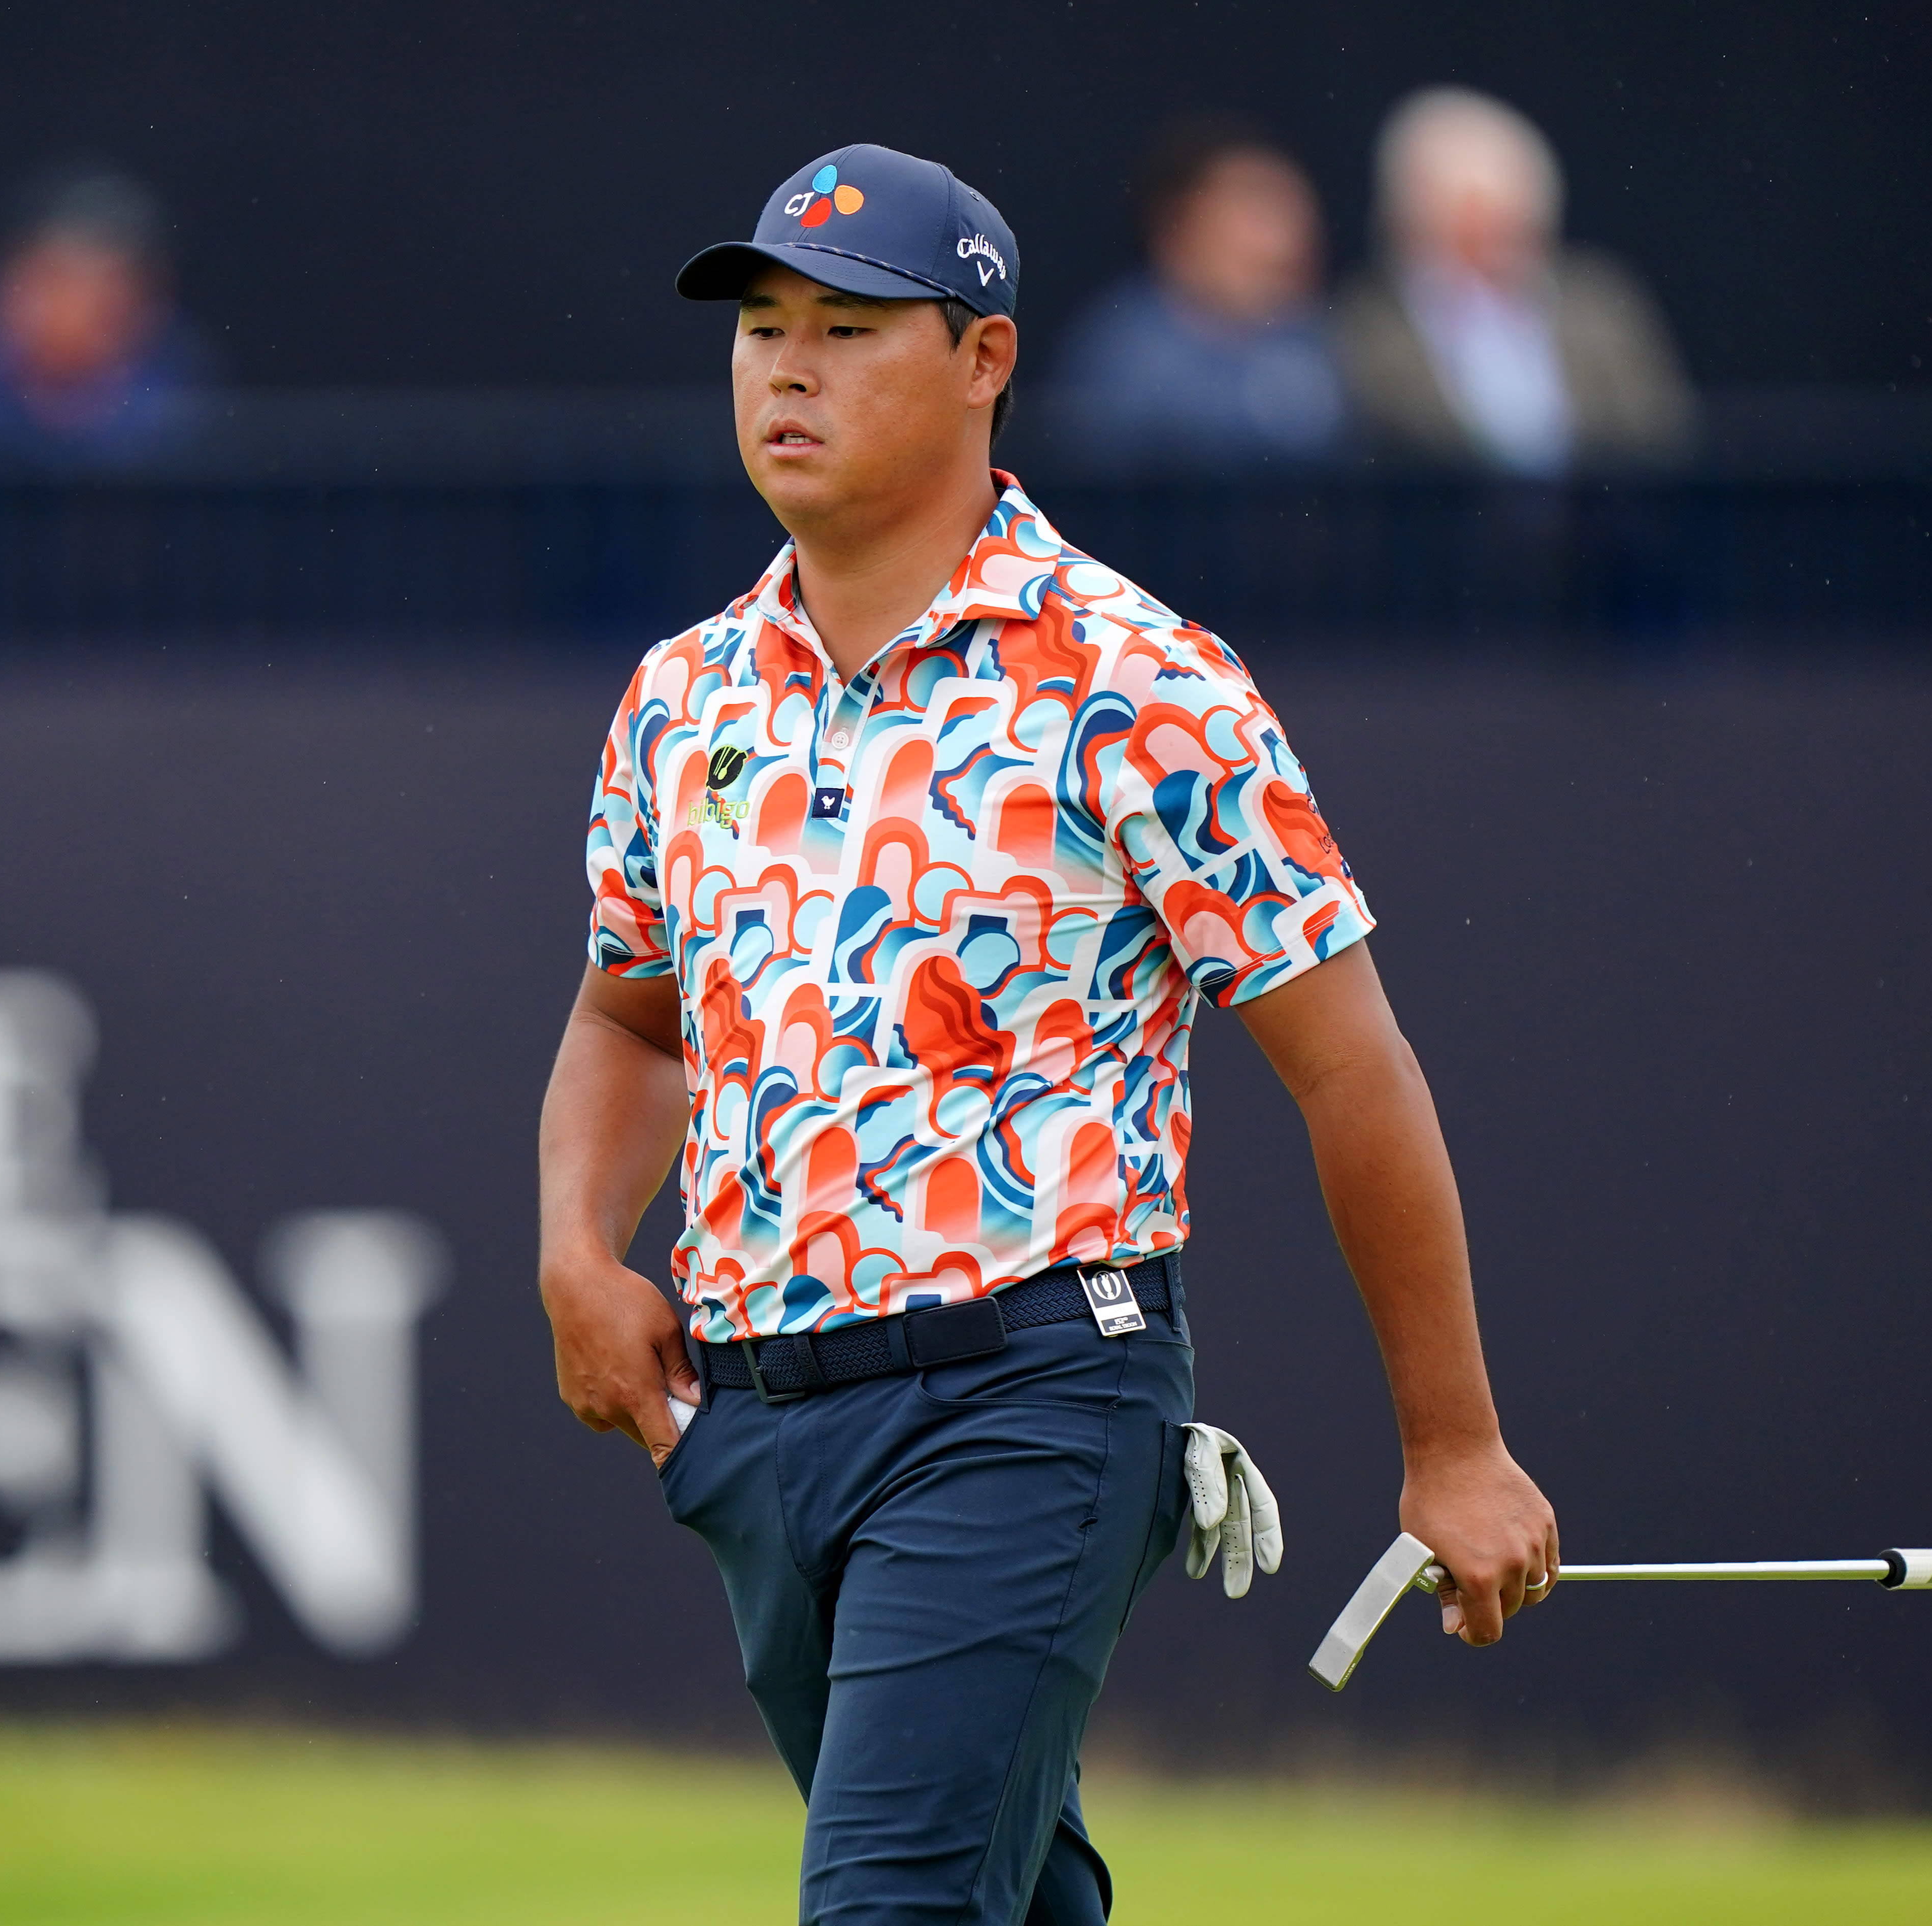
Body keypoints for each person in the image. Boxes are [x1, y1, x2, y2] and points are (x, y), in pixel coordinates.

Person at [537, 142, 1559, 1923]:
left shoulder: (1133, 679)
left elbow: (1345, 1064)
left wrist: (1450, 1441)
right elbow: (631, 1019)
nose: (784, 368)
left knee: (890, 1901)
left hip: (1026, 1399)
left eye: (847, 329)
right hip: (760, 1427)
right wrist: (571, 1251)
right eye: (760, 328)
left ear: (982, 359)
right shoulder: (678, 699)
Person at [1337, 89, 1694, 476]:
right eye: (1470, 222)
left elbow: (1661, 430)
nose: (1496, 238)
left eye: (1511, 217)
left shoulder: (1599, 303)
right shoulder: (1368, 319)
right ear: (1411, 220)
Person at [1047, 119, 1348, 470]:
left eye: (1295, 215)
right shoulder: (1127, 357)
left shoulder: (1324, 342)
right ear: (1178, 227)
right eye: (1258, 214)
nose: (1284, 243)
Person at [0, 168, 207, 466]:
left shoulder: (190, 418)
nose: (72, 311)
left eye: (104, 293)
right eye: (55, 282)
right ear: (2, 285)